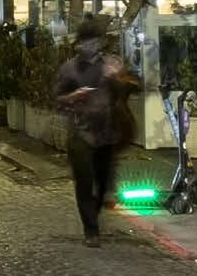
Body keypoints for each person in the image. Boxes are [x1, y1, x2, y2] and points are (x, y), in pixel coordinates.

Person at [54, 15, 138, 246]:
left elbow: (133, 87)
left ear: (100, 42)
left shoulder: (111, 64)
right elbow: (57, 99)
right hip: (80, 133)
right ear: (79, 43)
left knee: (102, 181)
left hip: (107, 133)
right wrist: (73, 96)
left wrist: (118, 79)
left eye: (93, 41)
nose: (89, 45)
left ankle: (95, 215)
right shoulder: (69, 69)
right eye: (85, 41)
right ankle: (91, 230)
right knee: (84, 181)